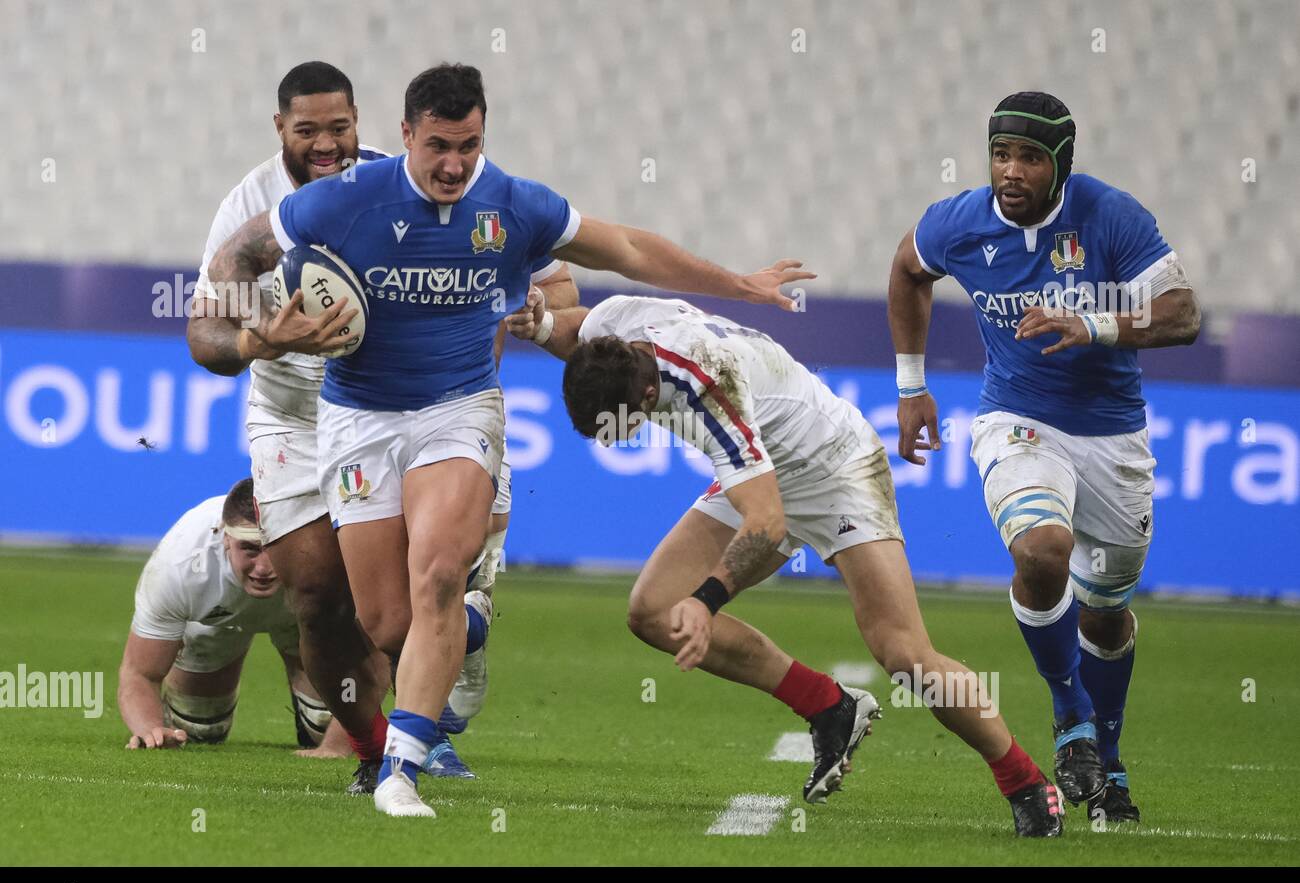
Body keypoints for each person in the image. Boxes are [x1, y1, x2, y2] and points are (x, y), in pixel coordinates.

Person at [204, 63, 813, 818]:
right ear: (405, 138)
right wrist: (258, 332)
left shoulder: (515, 205)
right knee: (385, 622)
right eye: (438, 147)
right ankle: (473, 621)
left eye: (469, 144)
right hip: (358, 418)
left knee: (436, 576)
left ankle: (401, 771)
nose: (455, 164)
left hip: (459, 412)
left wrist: (739, 284)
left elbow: (623, 246)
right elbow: (238, 255)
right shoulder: (343, 201)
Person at [508, 293, 1063, 836]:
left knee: (903, 653)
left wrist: (706, 602)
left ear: (649, 392)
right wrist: (540, 325)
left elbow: (766, 523)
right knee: (653, 610)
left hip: (834, 466)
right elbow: (574, 329)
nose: (615, 440)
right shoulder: (613, 326)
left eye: (621, 425)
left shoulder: (708, 389)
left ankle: (1027, 783)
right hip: (764, 466)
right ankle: (828, 707)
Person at [188, 62, 573, 788]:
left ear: (363, 123)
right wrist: (257, 342)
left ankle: (410, 738)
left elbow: (543, 274)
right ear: (281, 131)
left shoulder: (408, 182)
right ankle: (375, 742)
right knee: (320, 600)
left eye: (340, 127)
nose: (327, 144)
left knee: (413, 591)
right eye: (308, 131)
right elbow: (204, 333)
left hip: (411, 408)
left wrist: (487, 345)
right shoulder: (251, 207)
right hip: (292, 419)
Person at [887, 91, 1201, 824]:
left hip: (1114, 436)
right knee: (1041, 549)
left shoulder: (1110, 215)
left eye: (1030, 157)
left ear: (1060, 162)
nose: (1012, 171)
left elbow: (1183, 314)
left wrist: (1093, 324)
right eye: (1001, 154)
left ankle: (1109, 768)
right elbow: (907, 271)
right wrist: (911, 387)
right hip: (1017, 419)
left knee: (1107, 616)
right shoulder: (957, 222)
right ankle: (1070, 716)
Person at [117, 479, 342, 751]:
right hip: (217, 623)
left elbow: (369, 657)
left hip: (306, 619)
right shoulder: (179, 566)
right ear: (226, 538)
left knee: (331, 720)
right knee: (198, 729)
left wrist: (339, 744)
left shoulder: (328, 551)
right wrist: (150, 730)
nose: (263, 568)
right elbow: (140, 673)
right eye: (250, 549)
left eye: (273, 547)